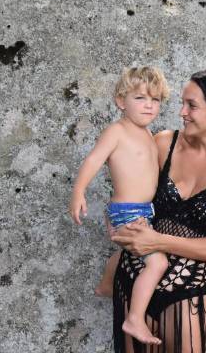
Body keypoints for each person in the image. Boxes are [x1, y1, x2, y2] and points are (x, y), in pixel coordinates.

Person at [111, 69, 206, 353]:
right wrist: (119, 228)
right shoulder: (163, 143)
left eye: (192, 105)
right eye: (182, 103)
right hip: (133, 281)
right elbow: (127, 196)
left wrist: (159, 241)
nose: (182, 112)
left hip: (189, 295)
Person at [69, 66, 171, 345]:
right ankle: (134, 319)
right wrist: (78, 191)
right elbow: (93, 160)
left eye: (155, 100)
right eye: (140, 98)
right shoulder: (117, 131)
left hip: (143, 213)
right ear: (120, 101)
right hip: (126, 212)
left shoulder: (149, 135)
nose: (149, 105)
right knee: (158, 263)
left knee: (130, 253)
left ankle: (106, 285)